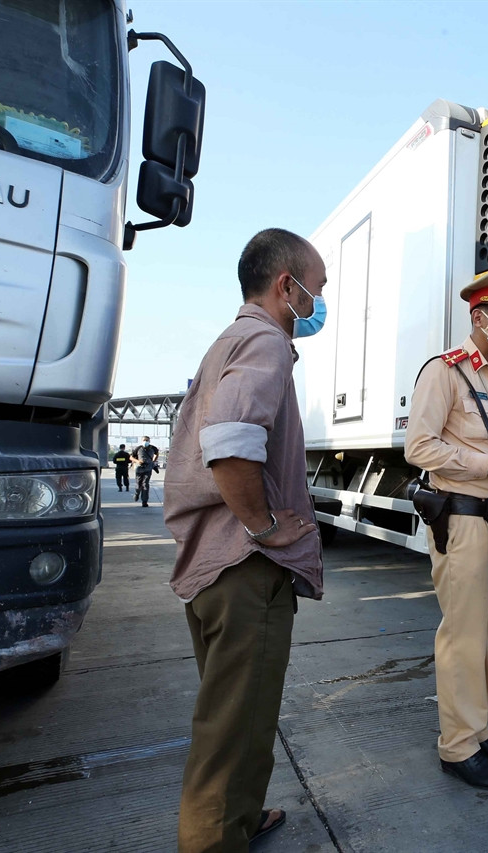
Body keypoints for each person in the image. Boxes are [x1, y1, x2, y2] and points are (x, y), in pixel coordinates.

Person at [164, 228, 326, 851]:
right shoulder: (265, 340)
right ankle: (215, 839)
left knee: (240, 713)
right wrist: (264, 525)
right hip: (243, 568)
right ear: (287, 286)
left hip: (213, 564)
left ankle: (239, 817)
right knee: (233, 728)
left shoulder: (226, 342)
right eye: (317, 288)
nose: (320, 301)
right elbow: (231, 440)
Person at [404, 263, 488, 793]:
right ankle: (458, 748)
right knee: (463, 635)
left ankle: (479, 730)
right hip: (462, 519)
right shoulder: (444, 372)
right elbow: (419, 447)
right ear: (480, 317)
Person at [132, 436, 160, 506]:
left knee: (145, 484)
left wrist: (153, 461)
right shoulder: (138, 448)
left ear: (149, 441)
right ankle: (137, 493)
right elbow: (131, 457)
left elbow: (157, 454)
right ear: (141, 441)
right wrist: (138, 461)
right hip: (139, 469)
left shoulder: (153, 448)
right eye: (144, 440)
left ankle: (144, 501)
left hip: (148, 468)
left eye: (147, 440)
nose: (145, 442)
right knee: (138, 485)